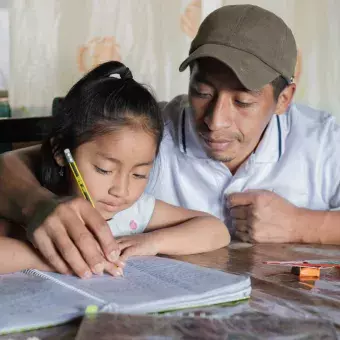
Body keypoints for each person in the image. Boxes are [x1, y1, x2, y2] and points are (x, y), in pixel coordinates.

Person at [0, 4, 339, 276]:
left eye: (243, 102)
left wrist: (304, 224)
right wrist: (37, 206)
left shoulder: (324, 141)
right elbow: (17, 165)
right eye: (202, 91)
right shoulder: (143, 130)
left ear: (284, 98)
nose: (215, 121)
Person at [0, 61, 230, 277]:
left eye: (139, 174)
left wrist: (151, 242)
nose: (121, 190)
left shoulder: (132, 213)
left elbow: (216, 230)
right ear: (61, 152)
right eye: (104, 170)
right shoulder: (35, 210)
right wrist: (61, 258)